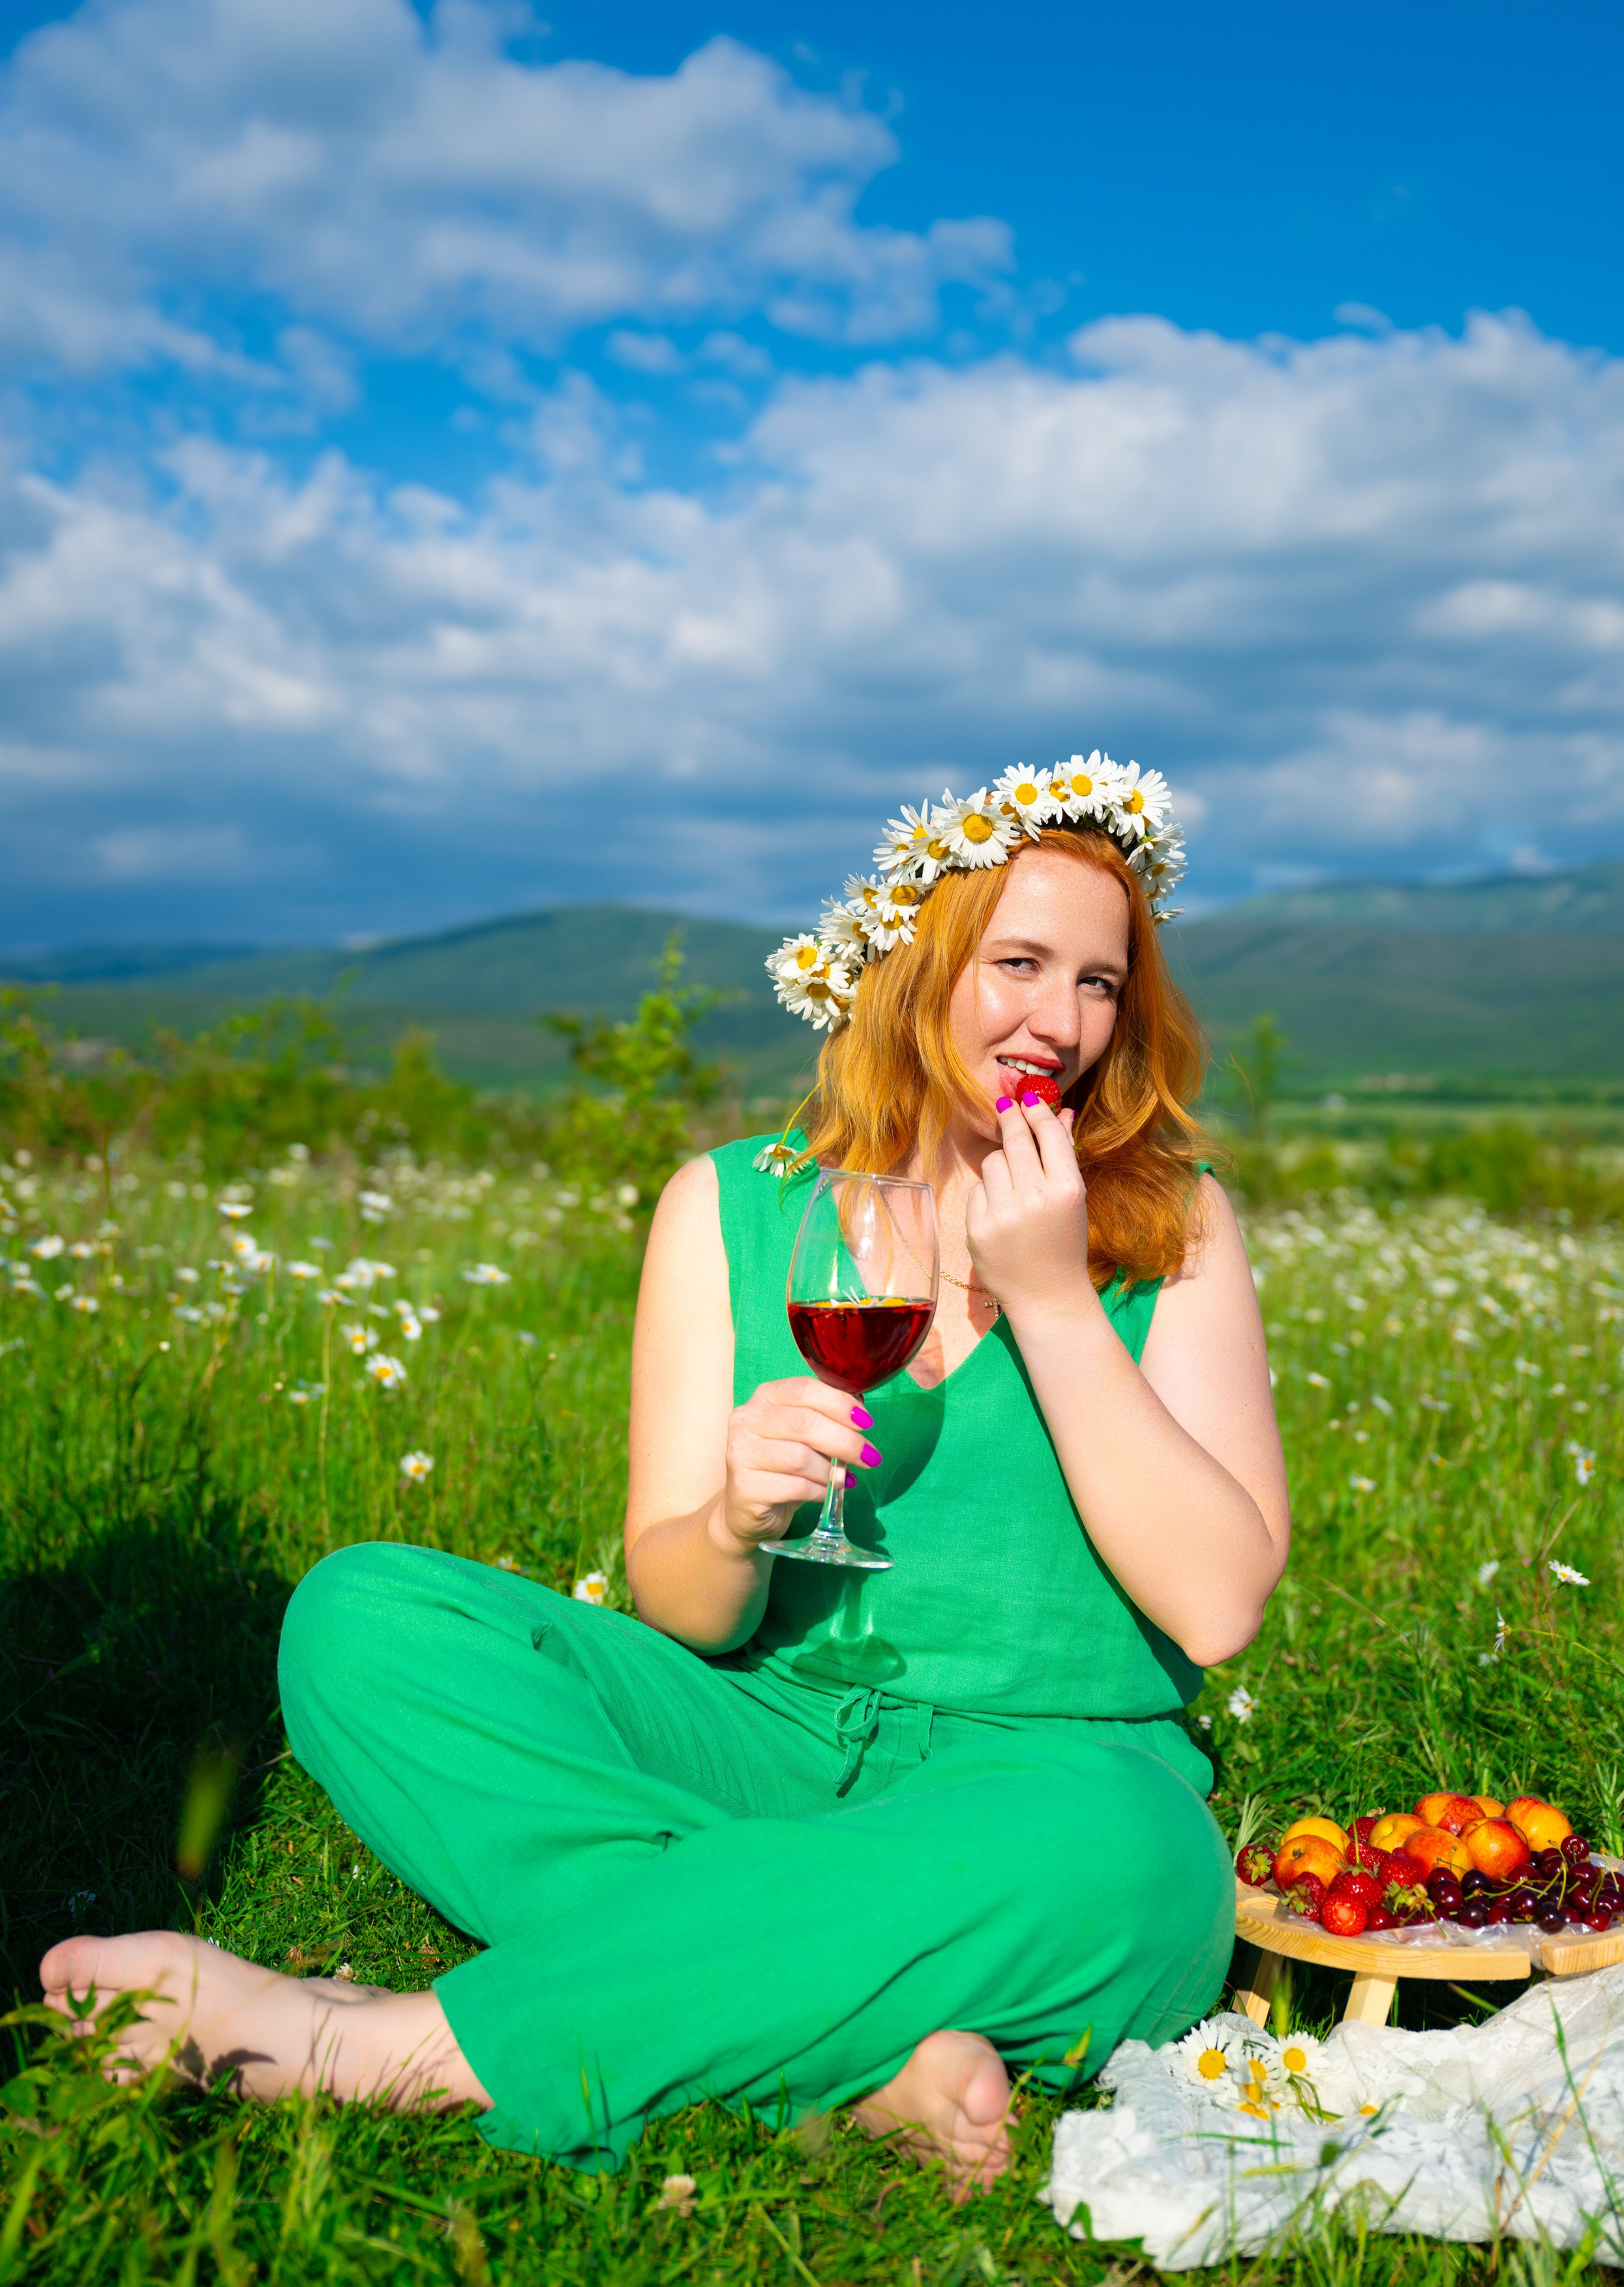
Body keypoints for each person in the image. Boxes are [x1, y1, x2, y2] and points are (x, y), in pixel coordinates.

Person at [41, 758, 1288, 2198]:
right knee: (360, 1615)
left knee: (1140, 1859)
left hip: (1045, 1778)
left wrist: (1057, 1304)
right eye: (1016, 963)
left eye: (1097, 983)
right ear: (918, 964)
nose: (1057, 1023)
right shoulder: (731, 1205)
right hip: (757, 1733)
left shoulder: (1173, 1225)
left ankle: (378, 2047)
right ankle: (841, 2029)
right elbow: (682, 1610)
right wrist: (734, 1519)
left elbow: (1214, 1610)